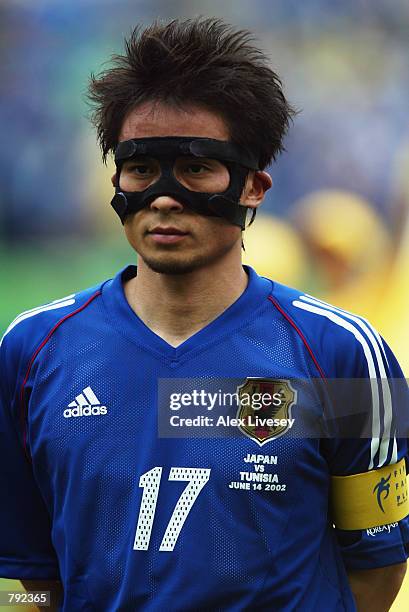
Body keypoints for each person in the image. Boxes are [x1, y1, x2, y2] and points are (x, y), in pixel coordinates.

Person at [0, 17, 408, 612]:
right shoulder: (31, 351)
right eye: (141, 168)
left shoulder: (345, 355)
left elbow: (378, 566)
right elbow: (29, 577)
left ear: (254, 187)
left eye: (195, 169)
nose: (164, 196)